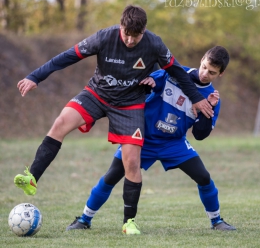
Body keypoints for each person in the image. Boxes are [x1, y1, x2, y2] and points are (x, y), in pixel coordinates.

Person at [13, 5, 213, 234]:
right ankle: (32, 178)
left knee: (131, 163)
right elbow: (67, 57)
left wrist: (197, 99)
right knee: (60, 123)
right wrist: (35, 76)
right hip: (96, 94)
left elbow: (177, 71)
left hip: (130, 105)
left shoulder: (154, 44)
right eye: (126, 33)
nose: (129, 40)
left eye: (135, 36)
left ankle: (129, 222)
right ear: (121, 26)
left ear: (144, 31)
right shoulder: (103, 37)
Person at [66, 46, 236, 234]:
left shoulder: (212, 98)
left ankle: (217, 221)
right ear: (202, 59)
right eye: (204, 67)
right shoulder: (173, 73)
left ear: (221, 74)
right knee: (111, 176)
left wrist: (207, 110)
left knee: (204, 177)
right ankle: (84, 219)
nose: (205, 74)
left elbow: (200, 135)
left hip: (174, 143)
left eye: (212, 72)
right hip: (142, 138)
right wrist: (149, 84)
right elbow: (142, 89)